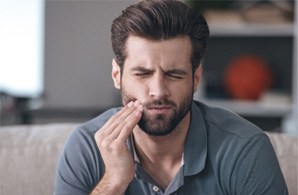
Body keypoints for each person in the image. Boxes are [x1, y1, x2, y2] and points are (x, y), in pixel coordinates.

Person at [54, 0, 288, 194]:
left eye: (174, 75)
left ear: (196, 78)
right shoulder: (86, 146)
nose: (158, 91)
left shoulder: (245, 148)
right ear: (117, 75)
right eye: (143, 73)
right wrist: (113, 182)